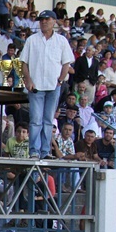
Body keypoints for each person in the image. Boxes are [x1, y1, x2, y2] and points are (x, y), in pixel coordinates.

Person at [19, 10, 75, 159]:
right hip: (36, 86)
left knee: (48, 120)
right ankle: (34, 151)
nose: (43, 22)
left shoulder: (61, 41)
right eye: (41, 19)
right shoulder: (32, 39)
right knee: (36, 119)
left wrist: (60, 80)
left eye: (47, 19)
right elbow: (24, 62)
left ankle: (45, 151)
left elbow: (66, 62)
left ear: (54, 21)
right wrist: (28, 80)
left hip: (53, 85)